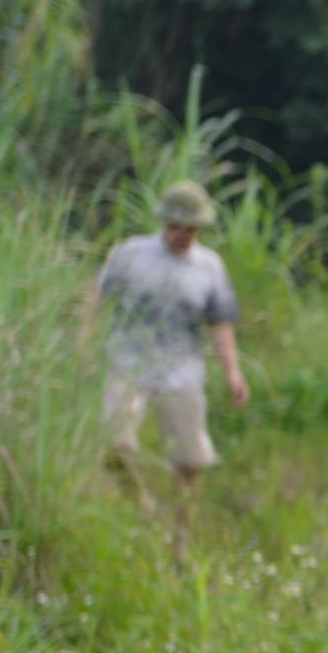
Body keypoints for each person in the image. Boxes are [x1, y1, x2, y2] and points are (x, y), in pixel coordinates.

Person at [85, 178, 250, 501]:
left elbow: (220, 322)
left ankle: (182, 524)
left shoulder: (209, 267)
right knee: (114, 442)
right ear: (164, 222)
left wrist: (233, 373)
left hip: (181, 370)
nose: (182, 234)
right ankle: (142, 506)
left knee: (190, 461)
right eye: (175, 226)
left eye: (190, 228)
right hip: (128, 362)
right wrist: (84, 343)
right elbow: (97, 296)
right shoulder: (131, 254)